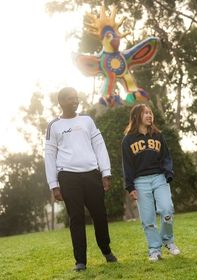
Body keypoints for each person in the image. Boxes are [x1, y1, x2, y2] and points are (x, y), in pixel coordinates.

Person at [44, 87, 117, 272]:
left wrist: (105, 173)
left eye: (76, 98)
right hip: (67, 177)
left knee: (99, 215)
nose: (75, 101)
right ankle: (80, 261)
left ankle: (106, 249)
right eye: (70, 99)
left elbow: (99, 146)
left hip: (91, 174)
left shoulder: (87, 121)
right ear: (61, 102)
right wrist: (54, 185)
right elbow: (50, 156)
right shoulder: (54, 126)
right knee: (76, 219)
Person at [121, 104, 180, 262]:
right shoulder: (128, 140)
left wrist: (168, 173)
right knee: (148, 219)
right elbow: (126, 164)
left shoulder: (158, 135)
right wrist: (130, 186)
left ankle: (168, 240)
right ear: (136, 117)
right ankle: (154, 249)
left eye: (150, 113)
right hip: (140, 182)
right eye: (145, 113)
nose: (149, 115)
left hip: (159, 178)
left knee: (167, 210)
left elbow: (166, 157)